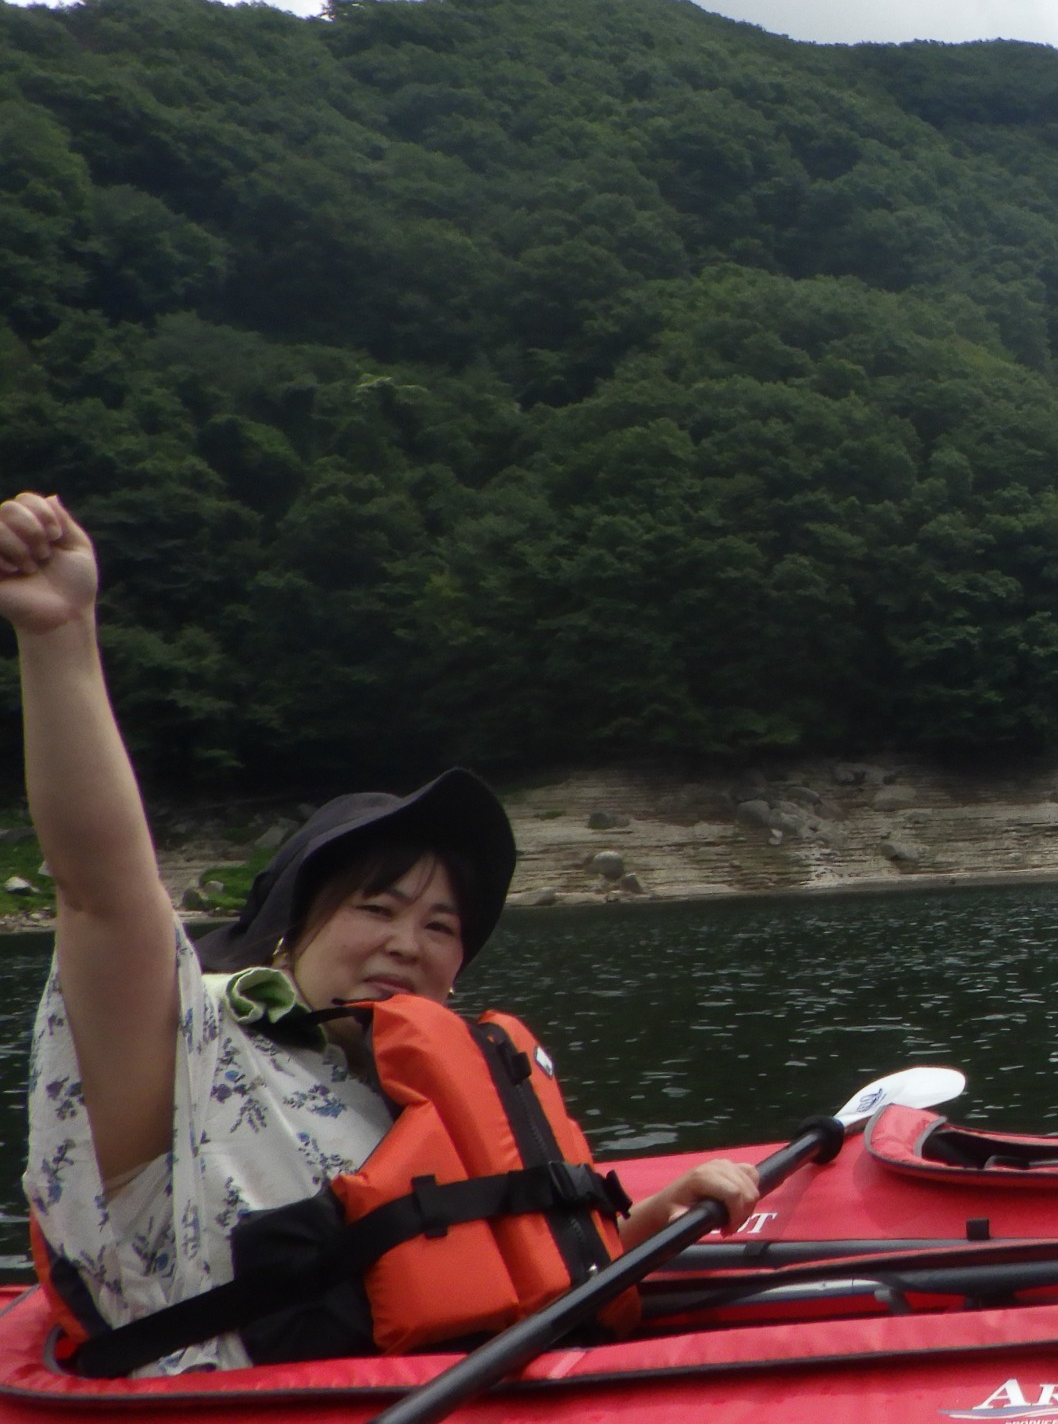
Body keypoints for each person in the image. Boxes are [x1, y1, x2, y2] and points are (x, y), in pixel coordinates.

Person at [3, 490, 754, 1376]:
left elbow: (447, 1275)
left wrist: (637, 1231)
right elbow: (103, 892)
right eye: (378, 907)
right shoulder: (180, 1058)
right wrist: (60, 637)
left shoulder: (417, 1096)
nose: (411, 942)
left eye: (442, 925)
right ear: (286, 933)